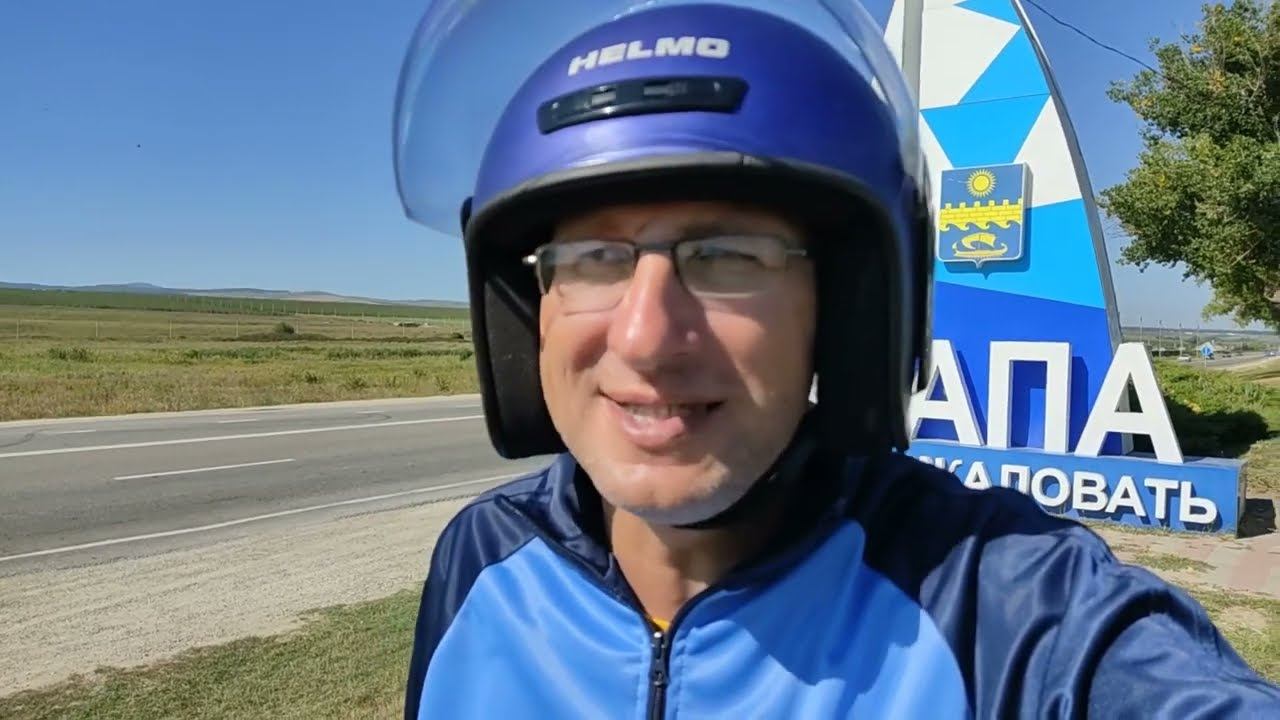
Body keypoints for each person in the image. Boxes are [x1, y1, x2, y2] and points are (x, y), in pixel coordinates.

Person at [392, 1, 1280, 717]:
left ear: (850, 309)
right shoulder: (484, 558)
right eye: (593, 259)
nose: (645, 337)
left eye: (726, 256)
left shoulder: (1005, 603)